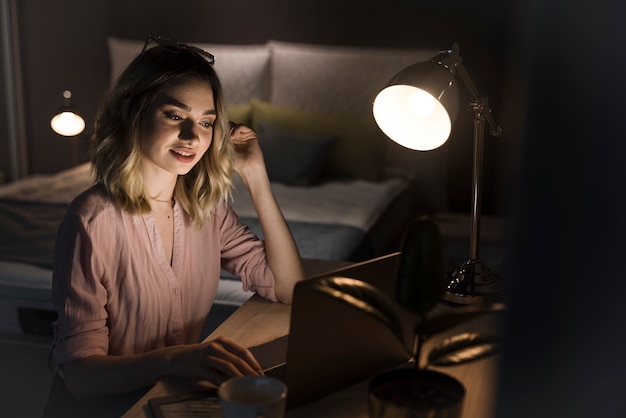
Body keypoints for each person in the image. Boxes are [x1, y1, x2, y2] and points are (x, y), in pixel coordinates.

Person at [48, 35, 305, 402]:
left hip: (168, 402)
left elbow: (288, 287)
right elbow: (80, 377)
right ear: (131, 112)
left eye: (205, 123)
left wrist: (256, 177)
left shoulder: (206, 209)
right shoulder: (91, 220)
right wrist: (173, 359)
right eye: (174, 115)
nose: (191, 137)